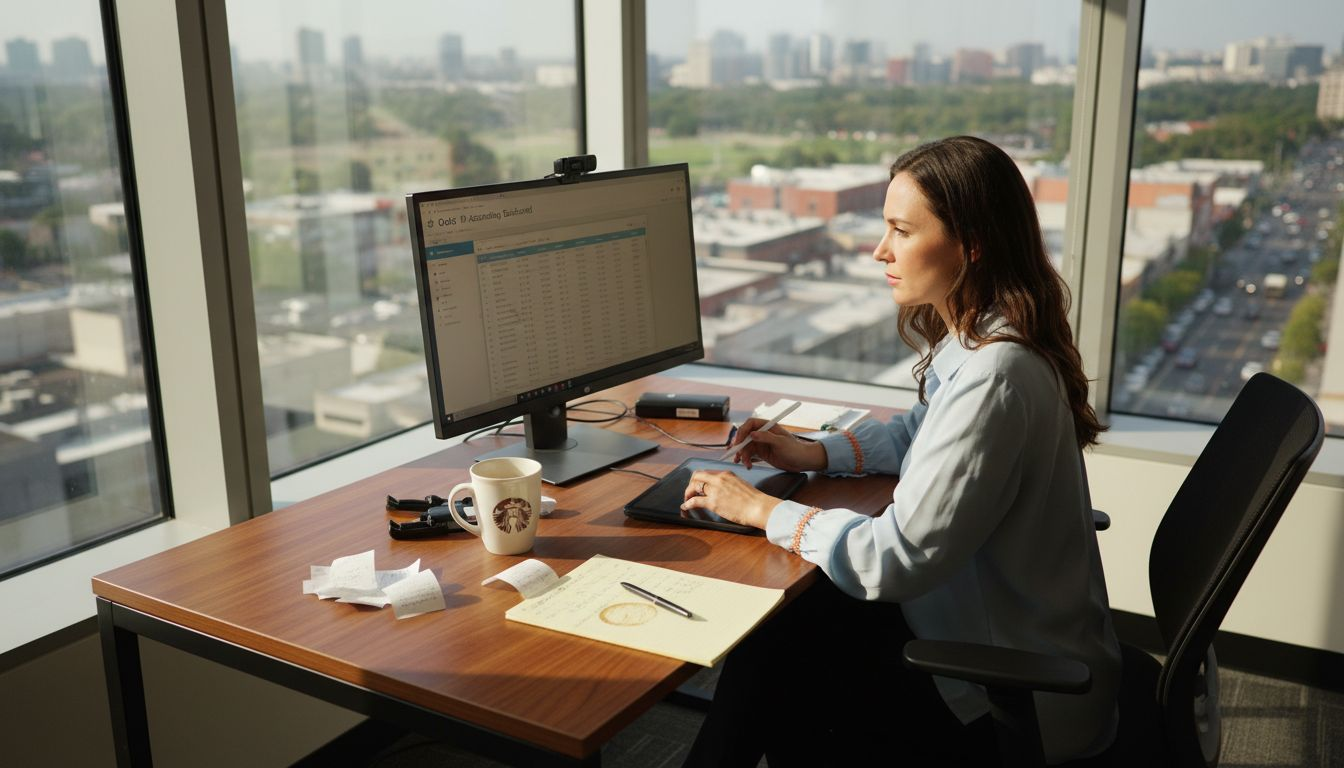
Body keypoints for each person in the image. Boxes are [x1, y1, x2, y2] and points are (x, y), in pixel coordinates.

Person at [679, 135, 1122, 767]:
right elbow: (919, 433)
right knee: (788, 633)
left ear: (972, 244)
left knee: (781, 658)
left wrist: (760, 510)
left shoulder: (995, 376)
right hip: (989, 632)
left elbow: (896, 560)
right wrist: (812, 455)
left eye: (902, 231)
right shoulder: (988, 336)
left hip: (1012, 695)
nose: (880, 250)